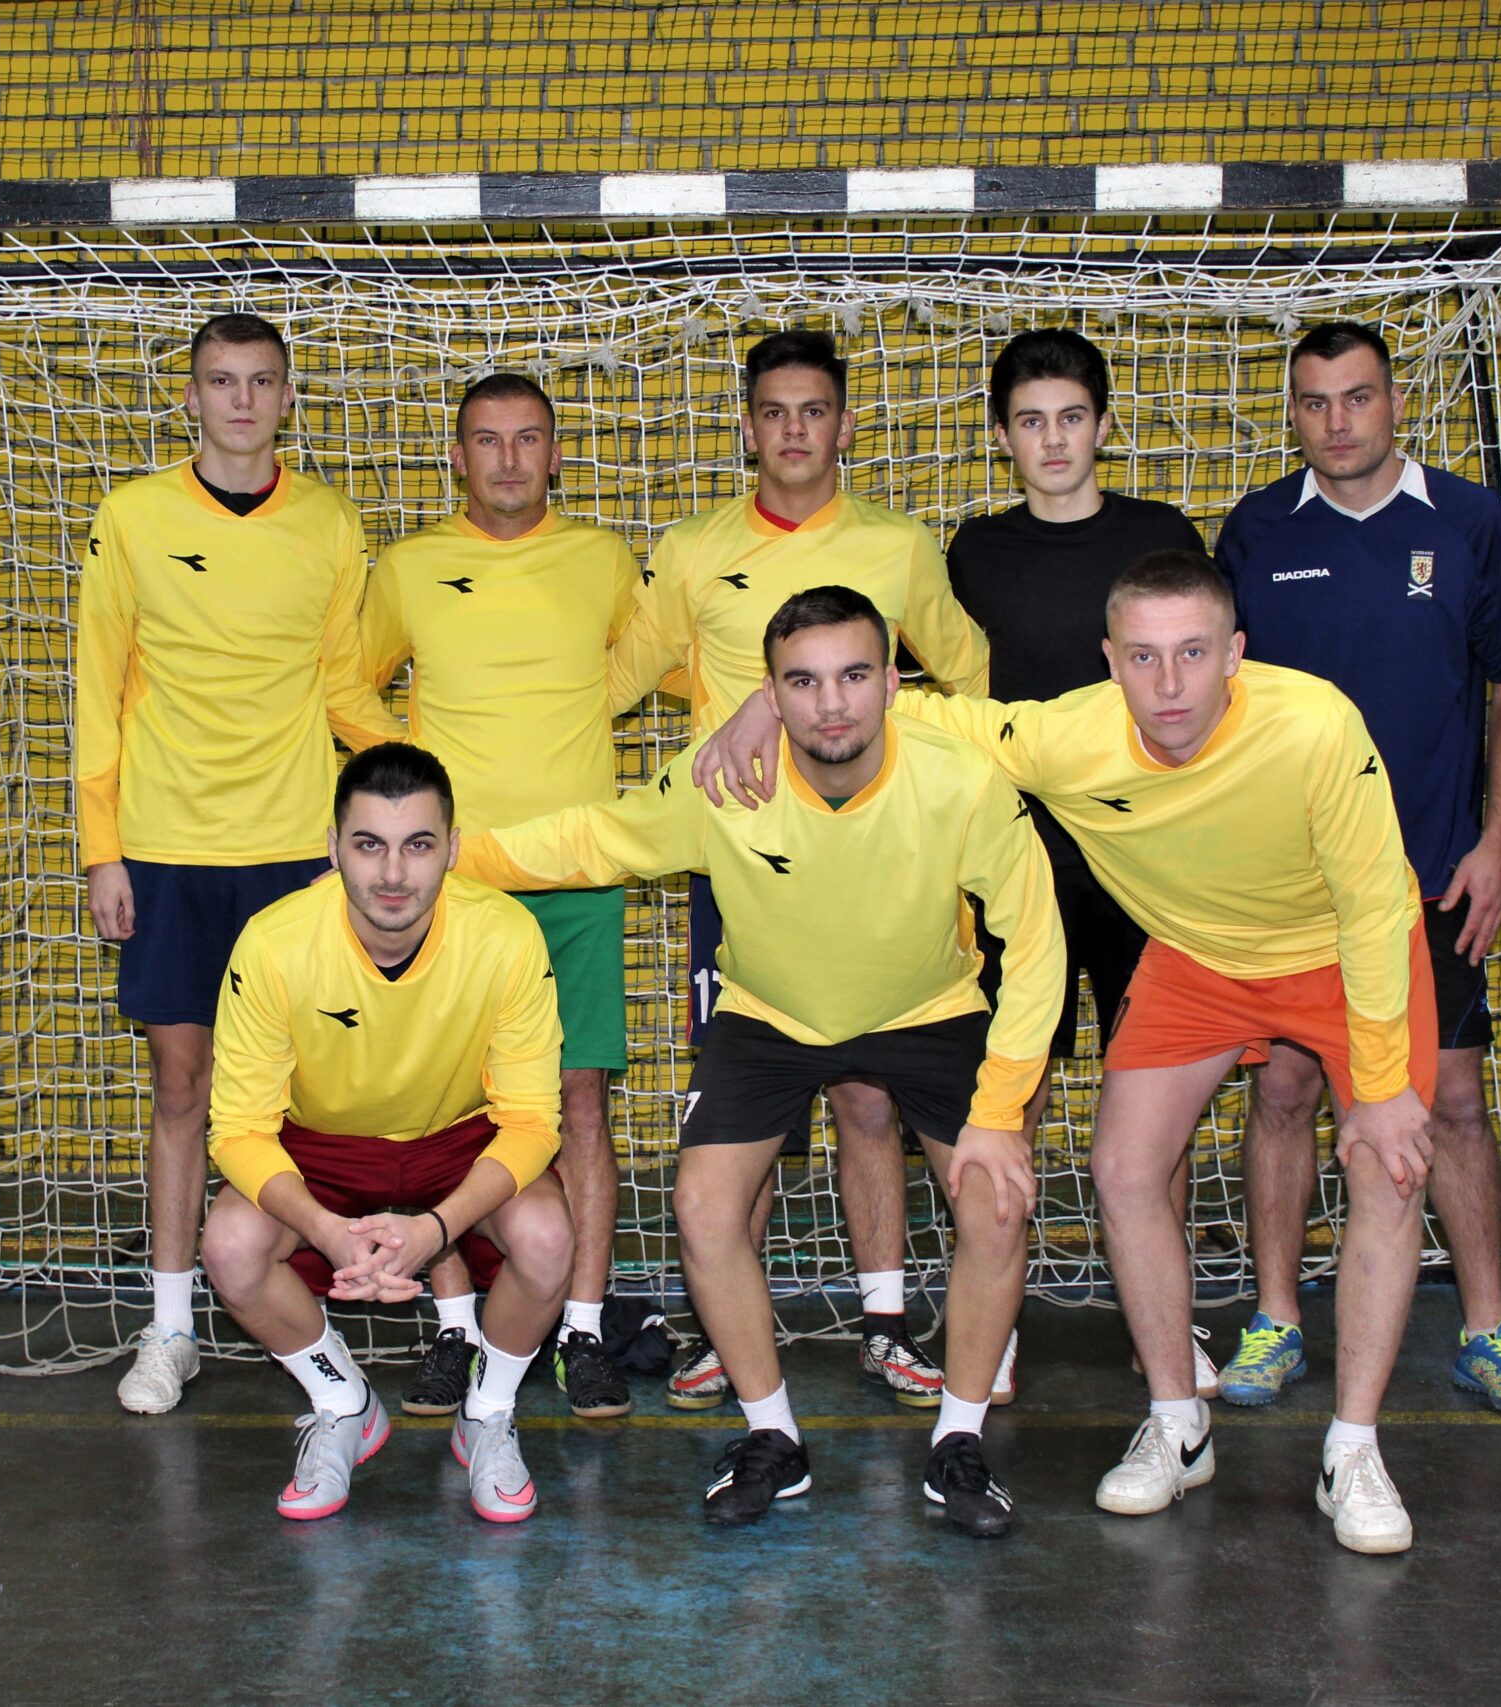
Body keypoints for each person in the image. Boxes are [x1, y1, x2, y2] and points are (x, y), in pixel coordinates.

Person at [695, 550, 1438, 1553]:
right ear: (1108, 659)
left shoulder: (1315, 725)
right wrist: (761, 705)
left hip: (1344, 950)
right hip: (1198, 958)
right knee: (1123, 1168)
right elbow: (901, 711)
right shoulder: (1064, 736)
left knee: (1388, 1163)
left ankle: (1354, 1449)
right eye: (1143, 656)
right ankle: (1176, 1424)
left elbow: (1373, 903)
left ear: (1235, 654)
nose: (1168, 684)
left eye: (1192, 653)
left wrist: (1383, 1089)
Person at [465, 586, 1062, 1538]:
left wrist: (998, 1111)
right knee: (703, 1207)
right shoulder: (726, 779)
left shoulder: (961, 780)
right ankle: (772, 1436)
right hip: (770, 1013)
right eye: (805, 681)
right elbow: (595, 838)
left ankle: (958, 1439)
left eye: (854, 676)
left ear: (892, 684)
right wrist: (453, 855)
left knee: (995, 1198)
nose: (833, 703)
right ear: (771, 696)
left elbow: (1035, 942)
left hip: (926, 1008)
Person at [606, 329, 995, 1413]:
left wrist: (790, 712)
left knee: (870, 1097)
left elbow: (967, 679)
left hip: (875, 863)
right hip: (744, 870)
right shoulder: (692, 548)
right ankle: (729, 1334)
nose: (793, 430)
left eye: (813, 410)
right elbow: (620, 679)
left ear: (844, 425)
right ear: (746, 427)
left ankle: (885, 1323)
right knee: (749, 1107)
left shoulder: (897, 545)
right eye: (773, 411)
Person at [1212, 321, 1501, 1418]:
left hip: (1428, 878)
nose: (1337, 422)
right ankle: (1275, 1318)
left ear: (1395, 400)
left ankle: (1490, 1330)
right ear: (1292, 412)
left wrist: (1496, 843)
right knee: (1284, 1088)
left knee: (1449, 1097)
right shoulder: (1257, 531)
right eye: (1313, 402)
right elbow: (1215, 706)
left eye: (1356, 397)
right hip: (1291, 885)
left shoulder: (1469, 522)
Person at [72, 312, 402, 1415]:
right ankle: (170, 1329)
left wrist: (442, 769)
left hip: (297, 853)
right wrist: (102, 851)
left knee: (312, 1091)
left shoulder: (330, 522)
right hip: (168, 850)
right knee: (183, 1086)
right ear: (192, 397)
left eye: (262, 381)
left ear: (288, 396)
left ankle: (310, 1307)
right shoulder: (132, 517)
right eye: (222, 381)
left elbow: (343, 686)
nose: (243, 401)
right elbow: (98, 692)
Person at [358, 372, 641, 1422]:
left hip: (575, 879)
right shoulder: (409, 566)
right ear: (458, 456)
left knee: (578, 1102)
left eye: (528, 439)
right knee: (444, 1107)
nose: (509, 459)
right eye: (487, 440)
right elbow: (346, 681)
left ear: (556, 454)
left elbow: (653, 666)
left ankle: (583, 1329)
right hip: (455, 885)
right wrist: (411, 791)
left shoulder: (603, 561)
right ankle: (455, 1329)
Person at [198, 743, 574, 1523]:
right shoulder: (273, 942)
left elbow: (533, 1121)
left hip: (456, 1140)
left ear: (454, 849)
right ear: (333, 847)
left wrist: (437, 1227)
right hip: (322, 1148)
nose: (394, 872)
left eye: (418, 844)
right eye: (369, 844)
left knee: (546, 1236)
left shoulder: (506, 935)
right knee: (229, 1246)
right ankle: (341, 1403)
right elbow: (236, 1129)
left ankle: (488, 1413)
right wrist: (325, 1229)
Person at [943, 326, 1212, 1406]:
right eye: (1029, 422)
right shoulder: (974, 552)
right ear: (1003, 437)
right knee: (1010, 1094)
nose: (1052, 440)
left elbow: (1212, 689)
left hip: (1150, 873)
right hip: (1023, 873)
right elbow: (934, 696)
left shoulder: (1160, 537)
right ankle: (992, 1323)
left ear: (1103, 425)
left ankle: (1165, 1331)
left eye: (1069, 418)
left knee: (1156, 1109)